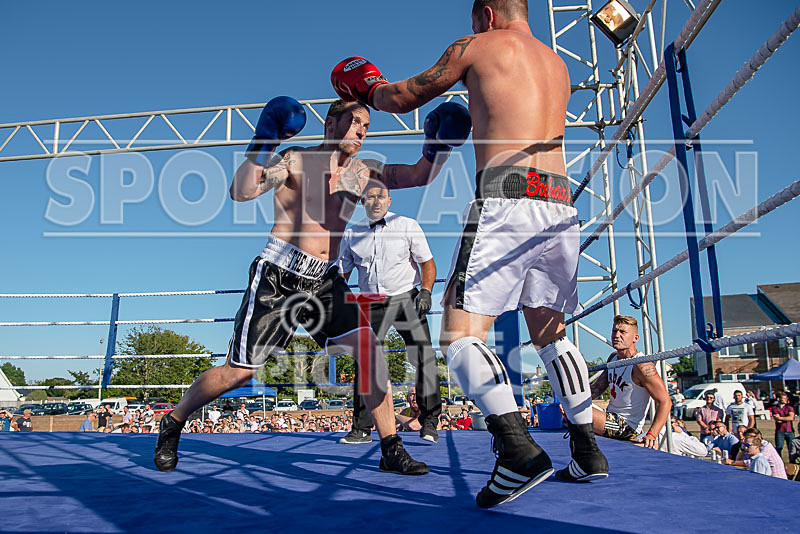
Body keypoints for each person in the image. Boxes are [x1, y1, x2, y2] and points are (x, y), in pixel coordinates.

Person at [331, 0, 607, 507]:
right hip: (561, 206)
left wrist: (365, 86)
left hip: (506, 198)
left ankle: (518, 449)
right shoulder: (556, 63)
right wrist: (435, 149)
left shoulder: (477, 46)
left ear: (484, 14)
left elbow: (401, 96)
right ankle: (587, 449)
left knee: (458, 335)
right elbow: (411, 173)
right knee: (550, 332)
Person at [154, 95, 470, 477]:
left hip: (325, 279)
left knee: (371, 352)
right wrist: (263, 140)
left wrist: (438, 147)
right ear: (330, 124)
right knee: (239, 372)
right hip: (278, 277)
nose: (361, 130)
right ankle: (173, 421)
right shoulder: (295, 159)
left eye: (367, 125)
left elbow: (419, 175)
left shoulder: (364, 171)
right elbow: (242, 191)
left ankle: (390, 448)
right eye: (355, 121)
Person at [338, 182, 442, 444]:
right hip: (369, 300)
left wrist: (426, 291)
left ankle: (430, 422)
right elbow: (341, 273)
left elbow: (427, 263)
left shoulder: (407, 225)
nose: (375, 201)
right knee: (365, 363)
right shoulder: (352, 234)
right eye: (370, 197)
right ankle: (362, 427)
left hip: (406, 296)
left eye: (380, 197)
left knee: (423, 358)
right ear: (363, 202)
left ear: (389, 200)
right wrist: (337, 301)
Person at [590, 316, 671, 447]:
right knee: (570, 405)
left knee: (579, 411)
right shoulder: (613, 357)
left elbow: (665, 401)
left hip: (627, 426)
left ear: (635, 338)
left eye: (623, 332)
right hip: (610, 418)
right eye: (614, 331)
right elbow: (597, 389)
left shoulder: (642, 365)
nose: (616, 335)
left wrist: (652, 434)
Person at [771, 391, 796, 460]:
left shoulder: (789, 408)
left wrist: (781, 418)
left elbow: (791, 418)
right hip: (780, 431)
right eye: (784, 398)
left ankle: (792, 463)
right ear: (778, 399)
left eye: (786, 398)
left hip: (790, 430)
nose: (786, 400)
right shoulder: (775, 408)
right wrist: (785, 418)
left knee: (792, 449)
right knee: (779, 448)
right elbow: (777, 420)